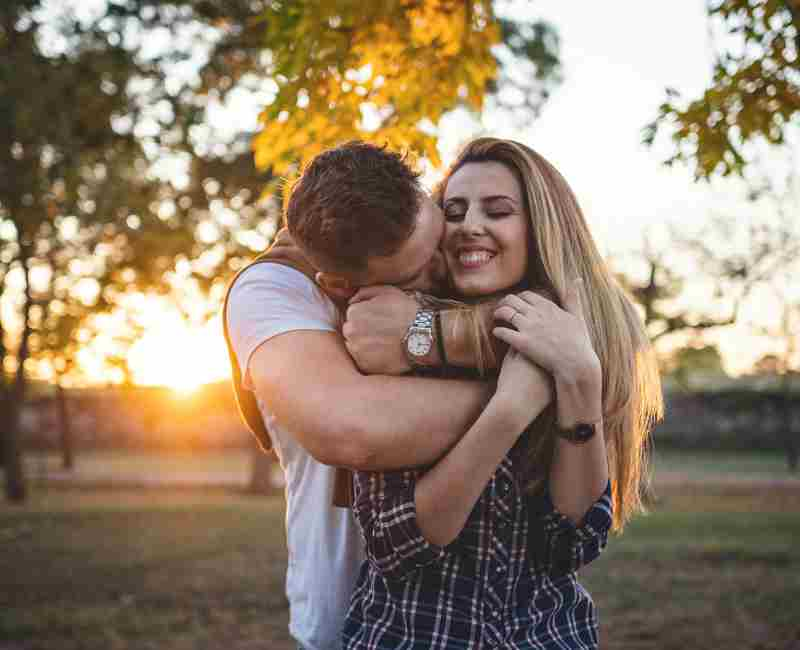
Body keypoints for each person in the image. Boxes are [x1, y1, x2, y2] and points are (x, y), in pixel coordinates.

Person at [224, 142, 560, 650]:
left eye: (437, 233)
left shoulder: (457, 249)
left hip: (488, 615)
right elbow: (355, 430)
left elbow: (590, 321)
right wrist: (535, 387)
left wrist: (430, 331)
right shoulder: (273, 289)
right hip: (349, 618)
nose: (442, 269)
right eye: (415, 273)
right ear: (337, 284)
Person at [339, 138, 664, 649]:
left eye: (498, 210)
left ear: (541, 229)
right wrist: (507, 411)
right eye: (455, 209)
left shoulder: (583, 340)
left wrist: (579, 377)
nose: (470, 224)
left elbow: (572, 542)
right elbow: (394, 544)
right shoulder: (398, 335)